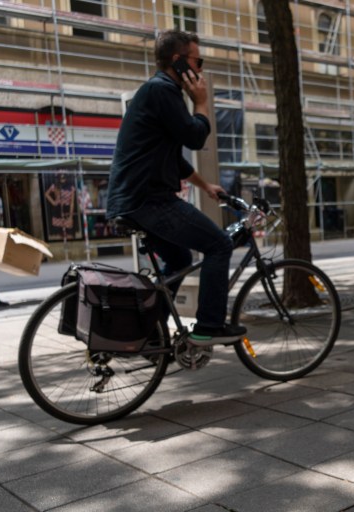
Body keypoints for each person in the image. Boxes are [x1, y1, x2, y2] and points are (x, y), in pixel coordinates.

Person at [107, 30, 246, 343]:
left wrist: (206, 184)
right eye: (198, 61)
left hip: (132, 200)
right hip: (148, 200)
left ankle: (150, 334)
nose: (201, 70)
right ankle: (210, 327)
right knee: (220, 245)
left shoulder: (157, 92)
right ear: (178, 61)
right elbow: (195, 136)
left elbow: (174, 160)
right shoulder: (163, 90)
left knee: (181, 260)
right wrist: (203, 102)